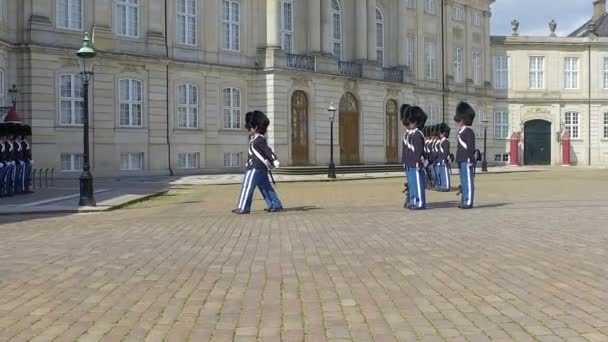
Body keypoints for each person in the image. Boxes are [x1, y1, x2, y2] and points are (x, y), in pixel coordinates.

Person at [232, 110, 283, 214]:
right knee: (266, 187)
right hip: (257, 167)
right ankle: (275, 205)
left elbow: (267, 150)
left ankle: (243, 207)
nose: (248, 130)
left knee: (247, 186)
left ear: (255, 127)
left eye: (249, 128)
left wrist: (274, 159)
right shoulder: (254, 139)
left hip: (255, 167)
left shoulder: (259, 139)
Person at [404, 106, 427, 210]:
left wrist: (418, 163)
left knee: (417, 184)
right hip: (410, 163)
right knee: (412, 184)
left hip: (415, 163)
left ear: (416, 121)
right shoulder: (411, 134)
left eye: (412, 121)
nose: (410, 123)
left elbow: (418, 151)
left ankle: (419, 202)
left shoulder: (418, 134)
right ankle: (413, 200)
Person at [454, 102, 476, 209]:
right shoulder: (461, 131)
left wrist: (469, 159)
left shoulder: (468, 131)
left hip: (467, 159)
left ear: (464, 119)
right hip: (461, 159)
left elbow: (470, 147)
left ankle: (468, 201)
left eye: (459, 120)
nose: (458, 122)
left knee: (468, 181)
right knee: (463, 181)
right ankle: (464, 199)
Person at [400, 104, 412, 207]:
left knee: (413, 181)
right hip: (407, 162)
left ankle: (411, 198)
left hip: (413, 162)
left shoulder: (413, 134)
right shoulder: (406, 134)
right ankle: (409, 197)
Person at [436, 123, 451, 192]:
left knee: (445, 174)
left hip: (444, 160)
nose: (440, 134)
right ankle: (443, 185)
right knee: (442, 174)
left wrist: (443, 160)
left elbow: (445, 152)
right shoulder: (442, 141)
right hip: (441, 160)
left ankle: (447, 186)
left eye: (441, 132)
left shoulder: (445, 141)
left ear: (444, 133)